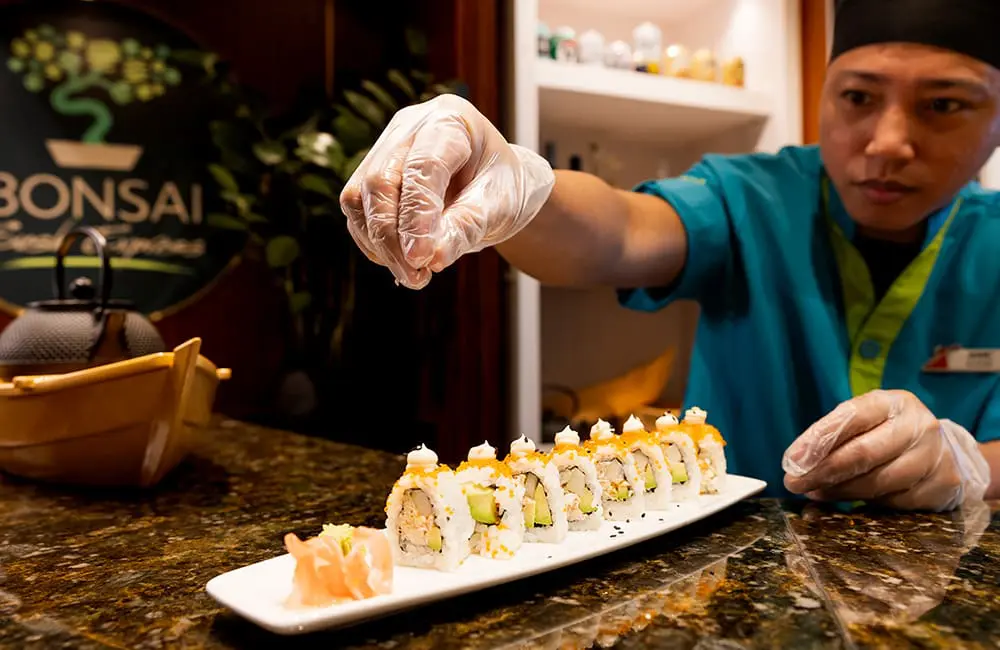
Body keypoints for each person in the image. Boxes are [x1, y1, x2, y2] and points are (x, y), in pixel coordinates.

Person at [339, 0, 999, 512]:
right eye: (858, 97)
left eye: (942, 105)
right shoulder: (752, 197)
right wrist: (520, 185)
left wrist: (970, 467)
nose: (888, 142)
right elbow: (620, 232)